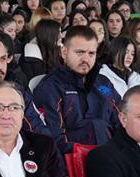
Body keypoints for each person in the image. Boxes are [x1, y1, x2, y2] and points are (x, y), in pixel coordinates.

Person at [33, 25, 117, 156]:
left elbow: (122, 122)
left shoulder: (104, 83)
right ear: (64, 52)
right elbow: (54, 139)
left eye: (91, 53)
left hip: (111, 158)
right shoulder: (49, 88)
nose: (86, 59)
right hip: (72, 160)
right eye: (80, 52)